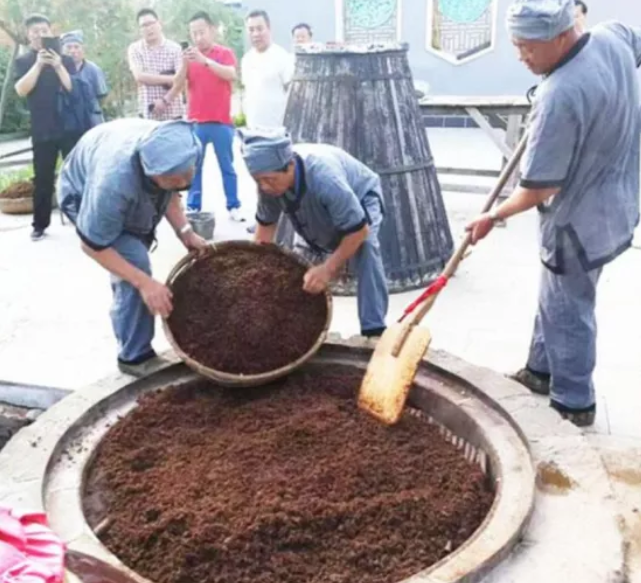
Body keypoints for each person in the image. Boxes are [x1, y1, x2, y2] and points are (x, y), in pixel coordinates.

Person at [465, 0, 640, 427]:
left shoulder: (559, 94)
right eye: (516, 45)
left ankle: (573, 403)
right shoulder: (613, 37)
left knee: (569, 308)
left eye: (528, 47)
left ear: (562, 36)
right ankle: (540, 371)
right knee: (556, 297)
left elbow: (538, 188)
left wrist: (492, 216)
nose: (521, 57)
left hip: (576, 226)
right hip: (616, 205)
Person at [57, 119, 209, 377]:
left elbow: (172, 191)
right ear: (151, 172)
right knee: (134, 262)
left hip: (121, 168)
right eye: (174, 177)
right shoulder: (112, 184)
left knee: (136, 250)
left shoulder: (180, 146)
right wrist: (144, 283)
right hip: (82, 191)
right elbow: (92, 244)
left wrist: (185, 232)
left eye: (188, 173)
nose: (185, 180)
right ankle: (134, 357)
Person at [240, 130, 388, 338]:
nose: (264, 186)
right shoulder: (269, 185)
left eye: (269, 179)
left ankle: (374, 327)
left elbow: (358, 231)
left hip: (360, 195)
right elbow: (264, 231)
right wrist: (253, 278)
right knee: (303, 263)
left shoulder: (325, 179)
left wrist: (328, 269)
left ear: (290, 166)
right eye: (257, 180)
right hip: (316, 199)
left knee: (365, 247)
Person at [164, 11, 244, 222]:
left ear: (212, 30)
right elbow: (178, 84)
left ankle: (233, 205)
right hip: (196, 122)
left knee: (227, 166)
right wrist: (184, 64)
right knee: (194, 168)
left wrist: (205, 60)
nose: (198, 37)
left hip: (221, 121)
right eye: (194, 33)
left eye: (202, 32)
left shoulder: (224, 53)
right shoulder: (190, 58)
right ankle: (193, 205)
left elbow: (231, 74)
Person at [14, 14, 77, 242]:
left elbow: (72, 88)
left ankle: (82, 217)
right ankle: (40, 224)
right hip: (42, 128)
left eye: (44, 30)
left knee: (75, 174)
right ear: (28, 35)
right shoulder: (23, 61)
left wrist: (58, 65)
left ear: (51, 32)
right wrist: (39, 64)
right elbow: (21, 90)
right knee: (42, 178)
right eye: (35, 31)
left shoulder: (65, 59)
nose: (40, 35)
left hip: (68, 126)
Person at [127, 8, 185, 121]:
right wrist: (172, 79)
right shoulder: (135, 49)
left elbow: (181, 82)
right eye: (144, 26)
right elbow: (139, 77)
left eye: (151, 23)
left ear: (159, 24)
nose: (149, 28)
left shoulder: (176, 49)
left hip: (174, 115)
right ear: (139, 29)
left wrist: (165, 101)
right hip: (147, 116)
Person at [241, 10, 294, 130]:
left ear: (269, 28)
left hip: (276, 131)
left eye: (260, 29)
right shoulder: (246, 60)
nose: (255, 34)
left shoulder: (282, 57)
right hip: (253, 130)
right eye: (251, 30)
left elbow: (292, 94)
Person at [61, 30, 109, 127]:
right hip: (66, 121)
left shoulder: (93, 70)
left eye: (76, 47)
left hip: (91, 119)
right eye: (68, 47)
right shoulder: (58, 70)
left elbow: (102, 97)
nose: (73, 51)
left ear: (83, 49)